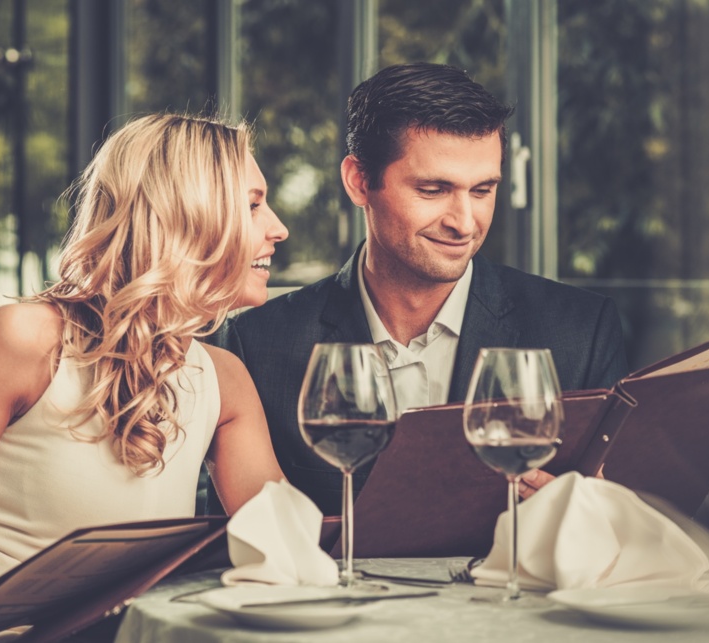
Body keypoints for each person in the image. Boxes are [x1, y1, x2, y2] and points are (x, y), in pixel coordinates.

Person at [0, 113, 288, 641]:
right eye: (252, 205)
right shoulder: (27, 338)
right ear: (186, 216)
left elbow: (286, 544)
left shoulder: (224, 379)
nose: (278, 228)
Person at [209, 62, 629, 516]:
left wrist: (591, 511)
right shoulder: (255, 343)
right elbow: (232, 544)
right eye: (433, 190)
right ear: (359, 181)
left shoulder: (580, 332)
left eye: (483, 190)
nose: (464, 223)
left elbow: (621, 521)